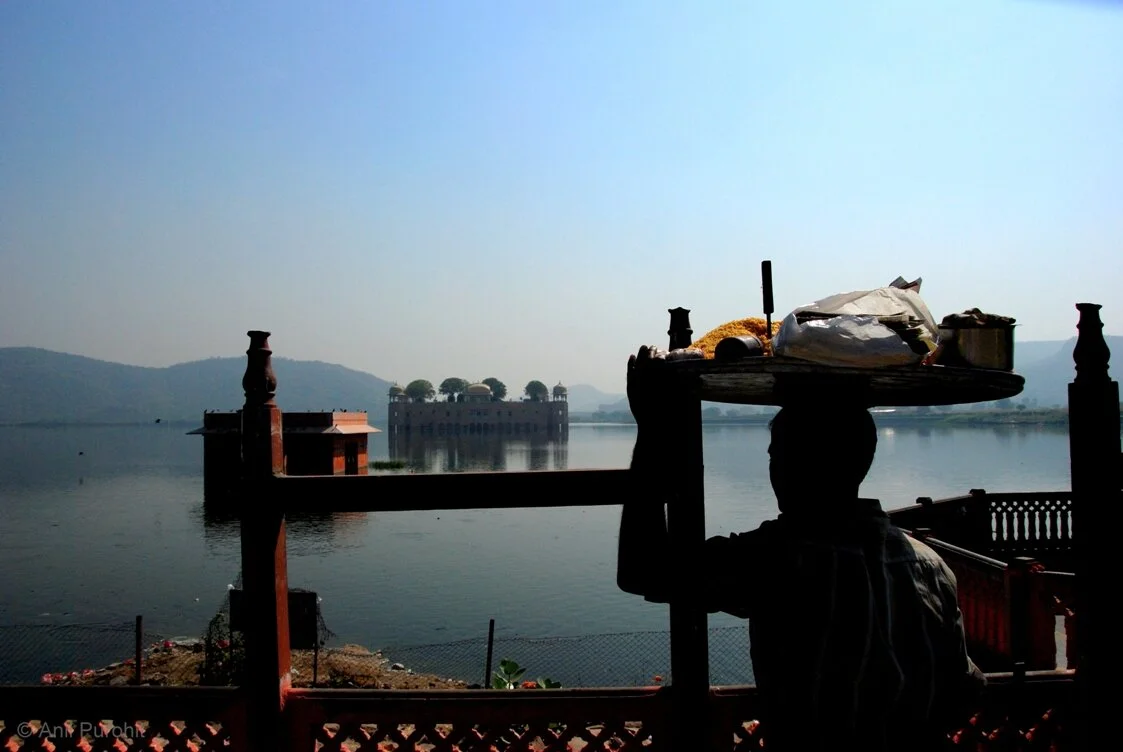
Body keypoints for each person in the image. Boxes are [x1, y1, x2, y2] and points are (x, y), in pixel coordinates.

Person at [617, 345, 985, 751]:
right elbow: (963, 691)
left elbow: (643, 569)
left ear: (794, 464)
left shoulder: (783, 558)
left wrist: (651, 435)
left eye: (778, 456)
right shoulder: (932, 566)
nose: (774, 470)